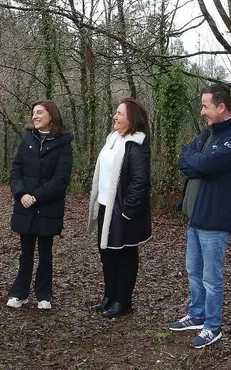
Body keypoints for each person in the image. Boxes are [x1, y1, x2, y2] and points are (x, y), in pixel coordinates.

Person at [167, 82, 231, 349]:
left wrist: (199, 163)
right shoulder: (208, 135)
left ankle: (212, 326)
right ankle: (197, 314)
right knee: (193, 270)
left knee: (211, 277)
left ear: (221, 107)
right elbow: (186, 159)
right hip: (196, 216)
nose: (202, 112)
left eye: (206, 106)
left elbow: (205, 164)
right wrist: (198, 162)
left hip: (216, 220)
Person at [87, 98, 152, 319]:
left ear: (131, 118)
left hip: (123, 212)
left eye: (120, 114)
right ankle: (109, 296)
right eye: (116, 113)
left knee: (124, 257)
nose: (115, 117)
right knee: (107, 255)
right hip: (106, 207)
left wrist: (127, 211)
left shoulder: (137, 144)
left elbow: (140, 182)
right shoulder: (113, 139)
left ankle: (122, 301)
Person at [6, 100, 73, 311]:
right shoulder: (27, 139)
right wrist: (21, 193)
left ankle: (44, 295)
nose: (35, 116)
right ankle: (20, 293)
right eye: (33, 113)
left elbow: (61, 179)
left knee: (46, 253)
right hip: (25, 206)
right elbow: (16, 171)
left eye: (39, 112)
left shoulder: (63, 143)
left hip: (48, 207)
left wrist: (35, 196)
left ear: (51, 116)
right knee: (25, 253)